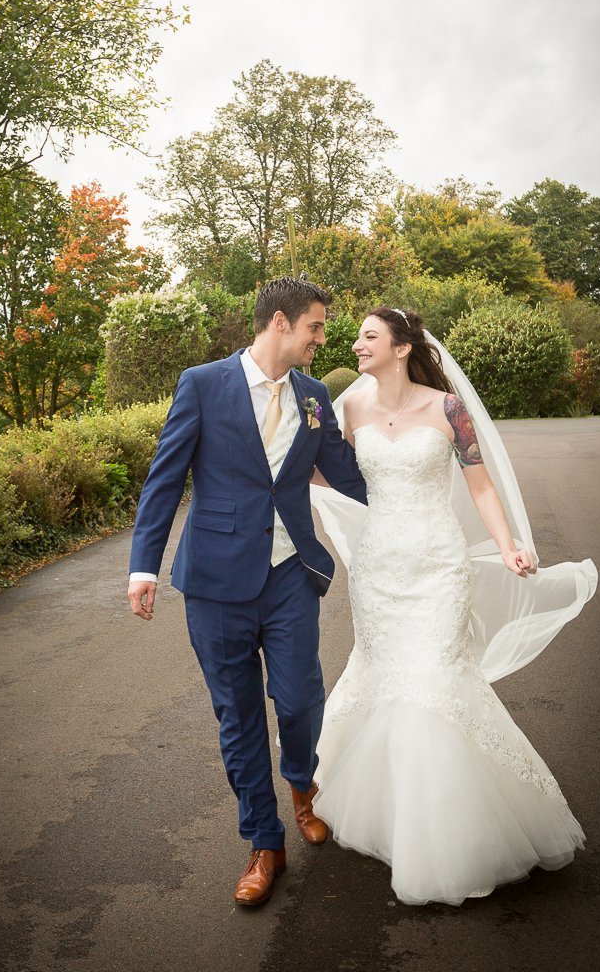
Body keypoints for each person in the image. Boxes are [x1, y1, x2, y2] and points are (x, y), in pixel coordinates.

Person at [309, 306, 598, 907]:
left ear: (402, 347)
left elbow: (480, 483)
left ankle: (446, 837)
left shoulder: (447, 410)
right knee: (386, 677)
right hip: (379, 570)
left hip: (439, 567)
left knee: (437, 679)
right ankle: (395, 813)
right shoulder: (349, 409)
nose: (356, 345)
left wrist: (509, 545)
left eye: (369, 336)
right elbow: (319, 473)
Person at [128, 277, 367, 907]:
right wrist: (142, 567)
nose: (322, 338)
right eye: (316, 326)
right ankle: (264, 842)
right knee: (236, 717)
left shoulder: (316, 396)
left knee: (299, 698)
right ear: (282, 323)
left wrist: (418, 489)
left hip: (291, 573)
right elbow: (165, 476)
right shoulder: (202, 384)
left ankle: (302, 783)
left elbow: (344, 472)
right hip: (215, 582)